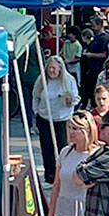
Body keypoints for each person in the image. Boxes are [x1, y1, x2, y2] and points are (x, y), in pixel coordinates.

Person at [33, 56, 79, 185]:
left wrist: (69, 102)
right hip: (45, 118)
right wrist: (36, 111)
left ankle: (64, 176)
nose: (51, 71)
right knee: (46, 148)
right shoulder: (42, 80)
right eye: (49, 68)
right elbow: (35, 96)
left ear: (60, 69)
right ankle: (50, 177)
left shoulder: (68, 80)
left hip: (62, 119)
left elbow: (75, 97)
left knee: (62, 148)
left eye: (54, 68)